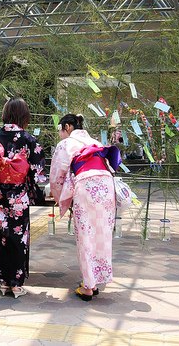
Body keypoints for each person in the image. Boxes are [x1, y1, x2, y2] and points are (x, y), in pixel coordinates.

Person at [49, 114, 120, 302]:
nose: (60, 135)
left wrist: (59, 198)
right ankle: (97, 278)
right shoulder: (94, 141)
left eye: (60, 131)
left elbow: (56, 176)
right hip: (106, 185)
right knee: (102, 233)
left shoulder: (66, 144)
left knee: (85, 234)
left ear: (67, 127)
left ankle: (89, 286)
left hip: (86, 186)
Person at [0, 97, 46, 298]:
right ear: (24, 116)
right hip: (18, 196)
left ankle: (3, 281)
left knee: (0, 237)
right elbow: (38, 173)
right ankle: (16, 283)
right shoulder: (29, 139)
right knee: (18, 237)